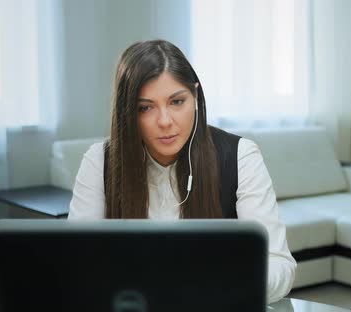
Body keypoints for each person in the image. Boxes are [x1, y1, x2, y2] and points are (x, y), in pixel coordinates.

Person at [68, 39, 296, 303]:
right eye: (145, 107)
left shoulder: (240, 155)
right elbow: (77, 265)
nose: (165, 121)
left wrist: (218, 285)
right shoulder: (99, 161)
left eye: (177, 102)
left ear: (195, 97)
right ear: (127, 112)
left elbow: (280, 266)